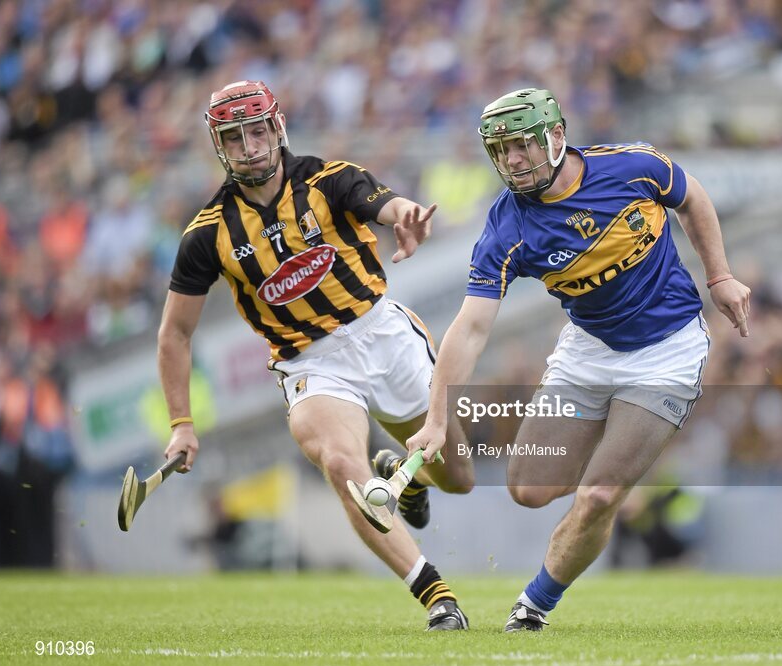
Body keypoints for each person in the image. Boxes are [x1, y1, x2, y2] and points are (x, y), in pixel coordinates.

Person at [407, 88, 750, 631]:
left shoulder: (633, 167)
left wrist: (720, 275)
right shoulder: (508, 226)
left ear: (557, 136)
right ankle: (615, 464)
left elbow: (693, 198)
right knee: (528, 489)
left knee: (598, 494)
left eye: (522, 145)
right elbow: (470, 328)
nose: (513, 161)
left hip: (667, 353)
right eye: (501, 151)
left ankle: (533, 607)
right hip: (586, 354)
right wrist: (436, 417)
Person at [159, 80, 474, 630]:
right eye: (235, 138)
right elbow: (174, 335)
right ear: (219, 147)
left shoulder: (329, 180)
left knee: (461, 477)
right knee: (340, 462)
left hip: (383, 334)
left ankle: (410, 476)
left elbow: (383, 202)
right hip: (310, 363)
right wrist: (181, 423)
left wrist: (405, 215)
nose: (250, 146)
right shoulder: (207, 233)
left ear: (277, 128)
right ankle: (436, 597)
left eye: (258, 131)